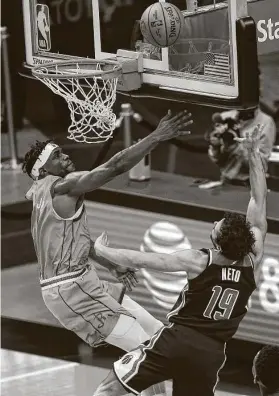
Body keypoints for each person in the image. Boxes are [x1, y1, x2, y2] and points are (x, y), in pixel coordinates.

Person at [22, 110, 192, 396]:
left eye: (62, 152)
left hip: (82, 282)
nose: (64, 156)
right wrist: (156, 136)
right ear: (44, 171)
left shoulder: (43, 193)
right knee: (148, 356)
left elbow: (75, 242)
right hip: (71, 291)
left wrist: (109, 264)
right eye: (57, 156)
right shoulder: (64, 187)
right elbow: (114, 166)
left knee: (160, 338)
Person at [93, 123, 267, 396]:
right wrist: (254, 154)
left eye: (216, 226)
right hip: (210, 355)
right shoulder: (253, 262)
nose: (213, 222)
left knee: (110, 389)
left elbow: (142, 259)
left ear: (218, 243)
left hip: (176, 341)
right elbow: (258, 199)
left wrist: (101, 251)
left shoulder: (199, 261)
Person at [202, 107, 276, 189]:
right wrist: (215, 146)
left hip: (251, 185)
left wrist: (236, 147)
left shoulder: (266, 122)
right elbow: (217, 160)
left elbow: (261, 165)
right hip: (226, 182)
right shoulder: (225, 116)